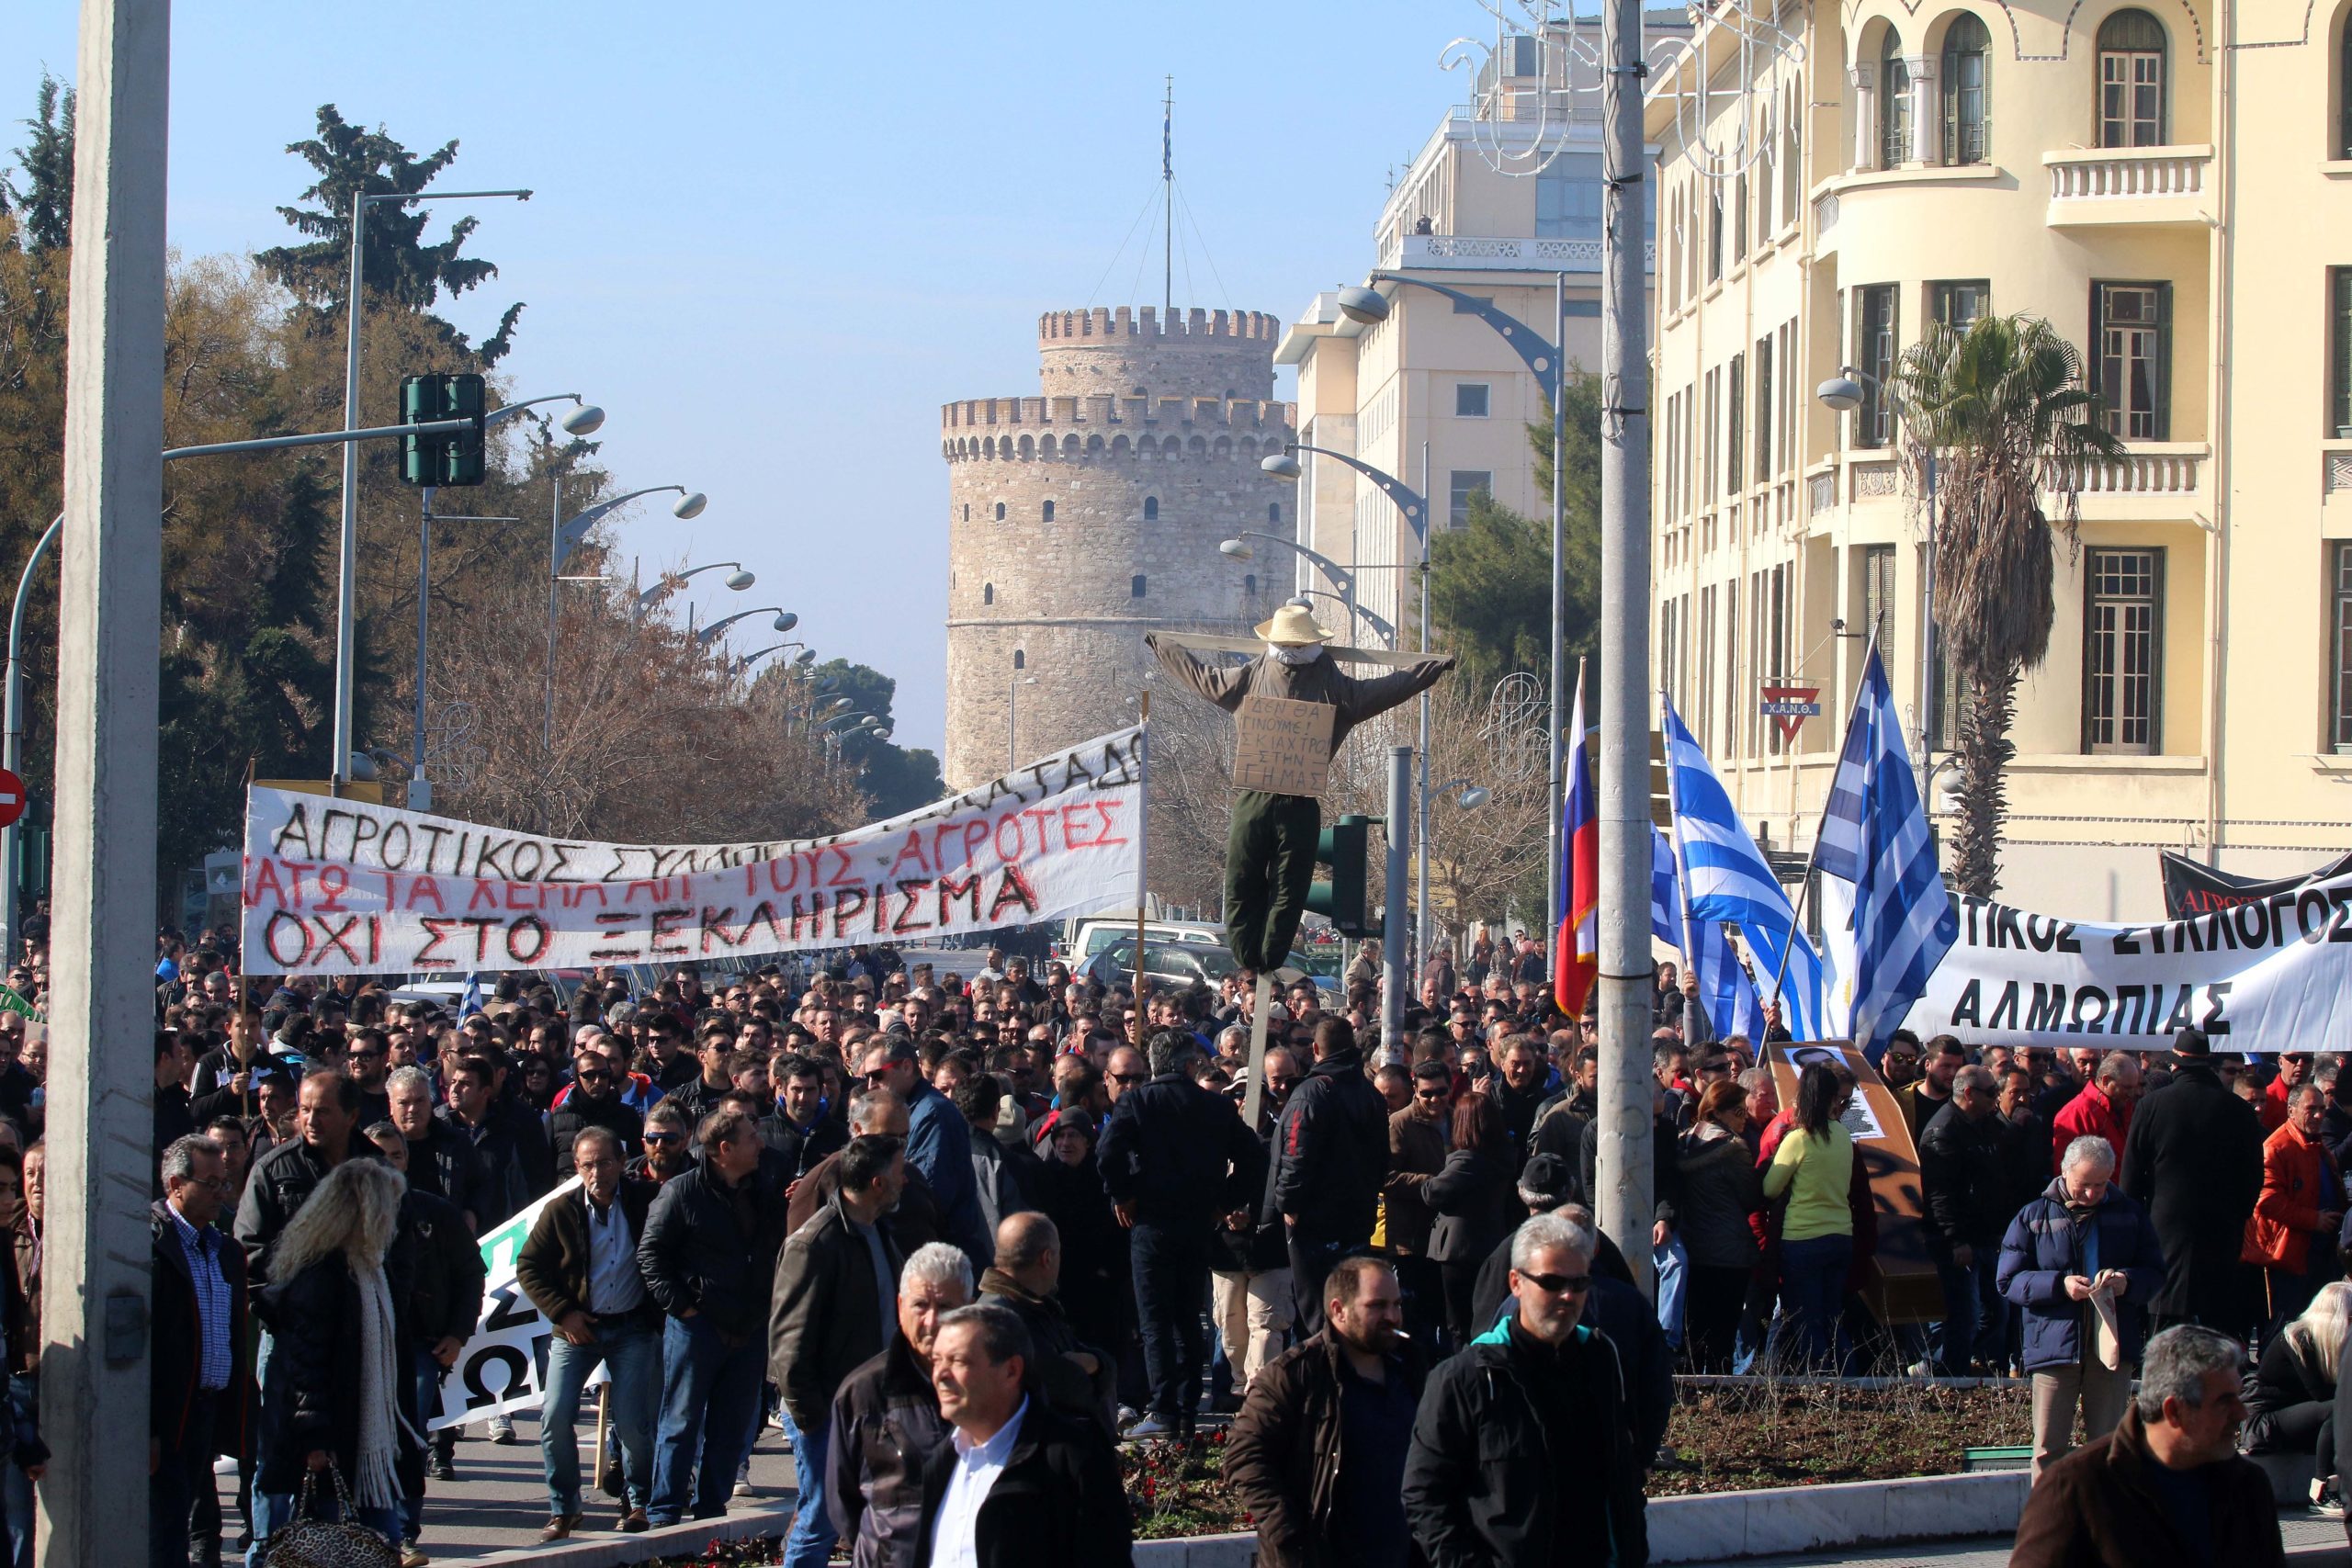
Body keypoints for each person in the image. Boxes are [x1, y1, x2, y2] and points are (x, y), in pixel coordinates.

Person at [1401, 1210, 1647, 1565]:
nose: (1567, 1296)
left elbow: (1622, 1475)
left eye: (1579, 1284)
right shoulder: (1466, 1377)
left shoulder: (1600, 1359)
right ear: (1516, 1283)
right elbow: (1424, 1496)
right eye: (1551, 1283)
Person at [247, 1159, 418, 1562]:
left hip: (363, 1442)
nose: (394, 1219)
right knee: (345, 1548)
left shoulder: (370, 1270)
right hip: (332, 1443)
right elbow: (305, 1367)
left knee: (380, 1544)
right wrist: (316, 1440)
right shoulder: (321, 1277)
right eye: (388, 1207)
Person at [1096, 1026, 1262, 1438]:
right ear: (1189, 1066)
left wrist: (1123, 1195)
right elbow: (1255, 1159)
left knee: (1156, 1319)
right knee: (1189, 1318)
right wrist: (1223, 1202)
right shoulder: (1216, 1107)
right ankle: (1185, 1408)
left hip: (1151, 1222)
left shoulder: (1137, 1101)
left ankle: (1166, 1410)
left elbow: (1107, 1153)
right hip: (1195, 1222)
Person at [2011, 1325, 2283, 1568]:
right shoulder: (2075, 1487)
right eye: (2224, 1401)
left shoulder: (2248, 1486)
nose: (2241, 1413)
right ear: (2174, 1411)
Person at [638, 1106, 791, 1528]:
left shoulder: (764, 1190)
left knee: (731, 1427)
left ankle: (711, 1514)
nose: (760, 1144)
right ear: (724, 1149)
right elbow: (651, 1256)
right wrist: (683, 1307)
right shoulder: (683, 1192)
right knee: (681, 1422)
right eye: (750, 1139)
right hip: (696, 1328)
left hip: (748, 1328)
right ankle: (664, 1514)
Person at [1223, 1256, 1426, 1568]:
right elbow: (1243, 1457)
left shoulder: (1411, 1367)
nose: (1392, 1316)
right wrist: (1290, 1535)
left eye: (1397, 1305)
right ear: (1337, 1310)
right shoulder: (1295, 1374)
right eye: (1377, 1306)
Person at [514, 1125, 662, 1539]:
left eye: (604, 1162)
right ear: (576, 1168)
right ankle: (564, 1508)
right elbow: (529, 1267)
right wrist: (564, 1314)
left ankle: (638, 1502)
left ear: (621, 1163)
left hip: (632, 1326)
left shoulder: (644, 1202)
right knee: (555, 1415)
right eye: (587, 1165)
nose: (596, 1172)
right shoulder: (561, 1211)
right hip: (578, 1330)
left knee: (633, 1422)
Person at [769, 1134, 909, 1565]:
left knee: (866, 1515)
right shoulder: (815, 1243)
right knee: (822, 1517)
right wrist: (810, 1418)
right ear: (878, 1183)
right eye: (901, 1172)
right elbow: (789, 1340)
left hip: (870, 1406)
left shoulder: (877, 1233)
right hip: (824, 1411)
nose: (908, 1180)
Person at [1997, 1134, 2167, 1482]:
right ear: (2064, 1173)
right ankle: (2050, 1526)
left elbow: (2155, 1273)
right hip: (2054, 1347)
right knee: (2048, 1447)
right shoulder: (2033, 1215)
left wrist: (2127, 1282)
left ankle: (2104, 1521)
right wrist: (2060, 1285)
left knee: (2109, 1445)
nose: (2092, 1193)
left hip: (2111, 1346)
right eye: (2084, 1184)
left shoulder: (2129, 1213)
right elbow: (2009, 1281)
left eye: (2101, 1184)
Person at [913, 1303, 1133, 1567]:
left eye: (957, 1360)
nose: (940, 1375)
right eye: (937, 1360)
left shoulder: (1071, 1460)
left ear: (1011, 1370)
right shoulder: (940, 1463)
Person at [363, 1122, 484, 1561]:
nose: (386, 1164)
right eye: (376, 1155)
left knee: (409, 1433)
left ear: (407, 1160)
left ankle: (402, 1529)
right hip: (360, 1342)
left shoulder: (435, 1212)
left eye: (394, 1156)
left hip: (420, 1345)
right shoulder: (342, 1214)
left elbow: (472, 1273)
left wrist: (457, 1334)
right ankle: (366, 1527)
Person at [825, 1243, 972, 1568]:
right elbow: (842, 1502)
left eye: (946, 1306)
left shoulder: (990, 1385)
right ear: (900, 1306)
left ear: (969, 1308)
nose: (932, 1320)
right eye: (921, 1305)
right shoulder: (862, 1392)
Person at [2123, 1028, 2267, 1332]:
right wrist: (2237, 1215)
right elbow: (2254, 1176)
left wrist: (2135, 1223)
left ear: (2175, 1065)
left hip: (2165, 1225)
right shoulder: (2239, 1111)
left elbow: (2132, 1176)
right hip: (2222, 1227)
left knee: (2164, 1319)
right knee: (2217, 1325)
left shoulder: (2151, 1105)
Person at [153, 1135, 243, 1568]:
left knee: (187, 1514)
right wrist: (149, 1427)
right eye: (209, 1184)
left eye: (224, 1183)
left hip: (207, 1409)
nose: (219, 1194)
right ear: (175, 1184)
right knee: (163, 1532)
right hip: (166, 1414)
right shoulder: (153, 1244)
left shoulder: (223, 1249)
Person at [1271, 1017, 1387, 1335]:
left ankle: (1324, 1374)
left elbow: (1296, 1152)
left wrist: (1287, 1202)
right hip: (1356, 1216)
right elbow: (1382, 1160)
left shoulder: (1312, 1092)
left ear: (1317, 1049)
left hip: (1315, 1220)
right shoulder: (1370, 1094)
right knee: (1345, 1305)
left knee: (1316, 1311)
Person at [977, 1213, 1112, 1428]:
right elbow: (1067, 1387)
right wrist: (1096, 1366)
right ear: (1047, 1258)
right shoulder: (1002, 1317)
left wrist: (1095, 1362)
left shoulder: (1034, 1305)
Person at [1918, 1065, 2011, 1377]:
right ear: (1969, 1093)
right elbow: (1939, 1193)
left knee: (1996, 1313)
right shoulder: (1943, 1131)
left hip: (1986, 1236)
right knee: (1965, 1315)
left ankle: (1955, 1364)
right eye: (1990, 1093)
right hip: (1959, 1242)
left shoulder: (1985, 1125)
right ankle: (1949, 1374)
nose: (1995, 1099)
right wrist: (1954, 1239)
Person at [1762, 1061, 1854, 1371]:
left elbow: (1770, 1189)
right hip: (1841, 1235)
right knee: (1833, 1316)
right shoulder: (1843, 1136)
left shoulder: (1797, 1139)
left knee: (1806, 1318)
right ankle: (1847, 1377)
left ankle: (1818, 1383)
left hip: (1802, 1239)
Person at [2245, 1082, 2346, 1337]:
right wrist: (2314, 1220)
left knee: (2318, 1329)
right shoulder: (2277, 1147)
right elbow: (2266, 1199)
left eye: (2322, 1109)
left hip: (2321, 1254)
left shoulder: (2317, 1145)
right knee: (2285, 1329)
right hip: (2289, 1257)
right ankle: (2271, 1377)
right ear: (2291, 1110)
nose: (2318, 1115)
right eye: (2311, 1109)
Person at [1423, 1092, 1520, 1349]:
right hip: (1491, 1243)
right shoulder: (1504, 1156)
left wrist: (1427, 1178)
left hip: (1459, 1250)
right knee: (1486, 1316)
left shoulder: (1466, 1160)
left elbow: (1433, 1192)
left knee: (1458, 1324)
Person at [1678, 1079, 1761, 1373]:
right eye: (1739, 1112)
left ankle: (1696, 1393)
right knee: (1723, 1330)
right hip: (1729, 1250)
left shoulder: (1684, 1141)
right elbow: (1750, 1197)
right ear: (1717, 1112)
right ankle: (1721, 1391)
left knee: (1696, 1327)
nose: (1746, 1118)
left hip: (1692, 1246)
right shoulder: (1733, 1148)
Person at [2245, 1280, 2349, 1510]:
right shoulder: (2297, 1338)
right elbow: (2320, 1393)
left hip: (2297, 1413)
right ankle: (2321, 1487)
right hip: (2266, 1420)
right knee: (2336, 1407)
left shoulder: (2325, 1341)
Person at [2051, 1052, 2141, 1177]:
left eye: (2134, 1087)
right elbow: (2066, 1172)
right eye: (2126, 1088)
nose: (2132, 1094)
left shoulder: (2125, 1108)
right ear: (2106, 1081)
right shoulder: (2077, 1113)